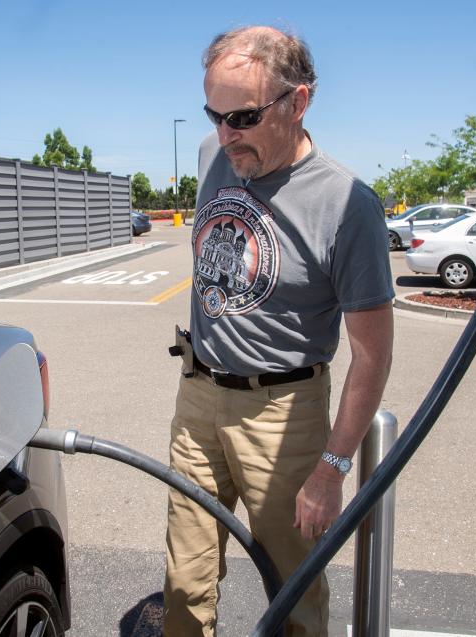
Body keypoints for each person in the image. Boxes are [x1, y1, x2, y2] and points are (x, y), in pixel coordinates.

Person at [164, 26, 395, 637]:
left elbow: (371, 357)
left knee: (293, 594)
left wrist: (330, 469)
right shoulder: (218, 158)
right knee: (185, 584)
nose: (224, 135)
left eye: (241, 116)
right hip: (198, 397)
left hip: (283, 416)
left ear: (298, 102)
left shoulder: (348, 205)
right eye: (213, 115)